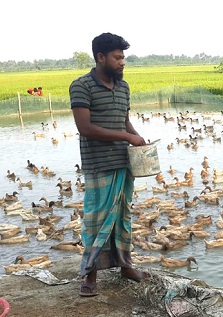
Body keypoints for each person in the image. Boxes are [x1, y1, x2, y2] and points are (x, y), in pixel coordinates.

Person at [69, 32, 147, 297]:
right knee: (96, 220)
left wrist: (137, 138)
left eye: (123, 57)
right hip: (99, 164)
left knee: (123, 217)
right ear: (100, 57)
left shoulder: (123, 88)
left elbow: (124, 122)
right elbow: (85, 128)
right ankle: (89, 274)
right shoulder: (81, 86)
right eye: (117, 57)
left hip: (124, 163)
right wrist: (127, 137)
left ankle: (125, 265)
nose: (122, 62)